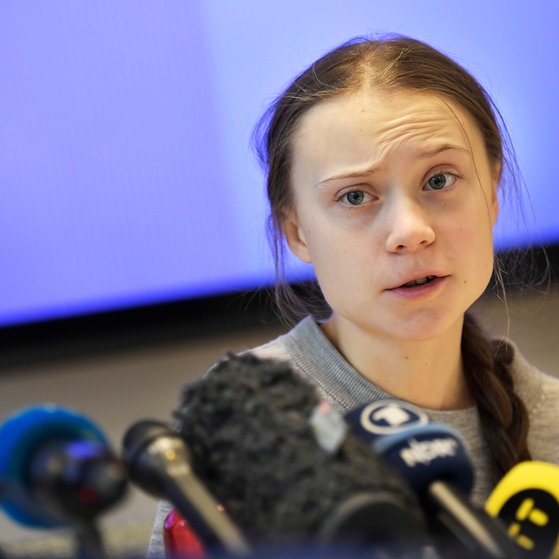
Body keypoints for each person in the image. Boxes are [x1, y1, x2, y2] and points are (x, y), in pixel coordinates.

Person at [147, 34, 559, 556]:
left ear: (492, 193)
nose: (410, 230)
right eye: (355, 196)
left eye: (439, 180)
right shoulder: (245, 422)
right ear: (297, 232)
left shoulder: (551, 425)